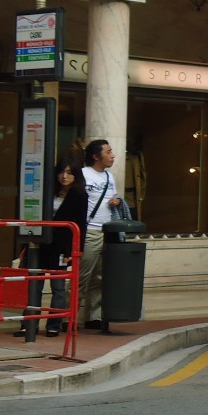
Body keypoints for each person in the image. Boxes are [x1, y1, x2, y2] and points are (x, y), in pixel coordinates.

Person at [39, 150, 88, 336]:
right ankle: (28, 324)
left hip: (62, 246)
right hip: (41, 243)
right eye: (61, 171)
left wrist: (76, 250)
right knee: (34, 285)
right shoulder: (47, 191)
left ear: (76, 175)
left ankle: (53, 325)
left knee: (58, 288)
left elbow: (81, 225)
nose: (64, 176)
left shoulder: (80, 196)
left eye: (69, 172)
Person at [80, 139, 120, 329]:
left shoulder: (109, 177)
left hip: (107, 231)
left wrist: (116, 201)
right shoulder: (83, 174)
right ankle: (66, 318)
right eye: (108, 152)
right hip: (90, 231)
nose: (112, 156)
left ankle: (93, 316)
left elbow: (114, 196)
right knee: (82, 276)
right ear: (96, 156)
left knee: (99, 277)